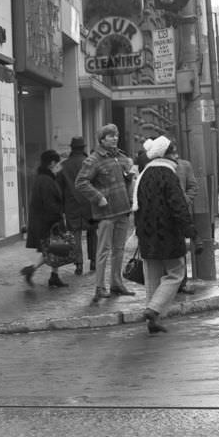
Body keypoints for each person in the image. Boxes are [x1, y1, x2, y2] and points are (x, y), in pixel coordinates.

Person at [133, 136, 199, 333]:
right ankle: (154, 310)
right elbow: (178, 207)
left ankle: (152, 321)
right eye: (175, 153)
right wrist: (191, 233)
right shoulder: (168, 175)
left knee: (152, 277)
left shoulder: (144, 175)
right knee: (176, 274)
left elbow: (137, 206)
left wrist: (139, 233)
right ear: (166, 155)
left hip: (146, 234)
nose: (177, 157)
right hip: (167, 233)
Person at [75, 123, 136, 303]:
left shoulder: (121, 157)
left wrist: (130, 173)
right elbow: (81, 182)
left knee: (119, 249)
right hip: (106, 213)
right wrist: (99, 197)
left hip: (123, 210)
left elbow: (129, 175)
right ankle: (100, 287)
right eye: (110, 136)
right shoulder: (93, 159)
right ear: (102, 139)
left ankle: (116, 283)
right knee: (103, 250)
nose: (115, 138)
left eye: (116, 135)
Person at [20, 149, 67, 288]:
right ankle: (34, 270)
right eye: (58, 163)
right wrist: (57, 219)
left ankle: (54, 276)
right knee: (52, 249)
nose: (60, 166)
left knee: (55, 249)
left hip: (45, 221)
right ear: (52, 163)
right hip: (49, 222)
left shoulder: (44, 178)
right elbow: (49, 203)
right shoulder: (46, 180)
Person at [57, 136, 96, 274]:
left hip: (71, 205)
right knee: (93, 233)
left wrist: (61, 208)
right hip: (90, 204)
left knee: (76, 235)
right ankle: (94, 262)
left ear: (72, 148)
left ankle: (78, 264)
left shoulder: (64, 165)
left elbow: (59, 188)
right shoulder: (90, 163)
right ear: (83, 148)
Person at [168, 147, 198, 295]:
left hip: (182, 212)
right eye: (171, 153)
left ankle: (182, 282)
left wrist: (185, 200)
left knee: (181, 246)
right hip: (165, 213)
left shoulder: (185, 165)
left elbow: (193, 186)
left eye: (175, 152)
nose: (174, 155)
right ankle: (169, 282)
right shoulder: (161, 167)